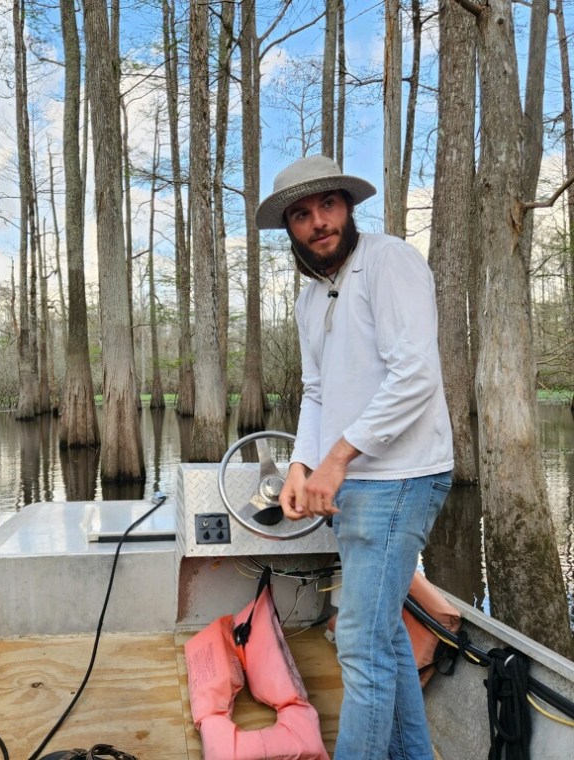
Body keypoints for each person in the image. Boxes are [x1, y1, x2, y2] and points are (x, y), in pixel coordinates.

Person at [256, 154, 453, 760]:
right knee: (386, 638)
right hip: (352, 484)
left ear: (349, 207)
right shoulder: (309, 299)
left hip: (402, 478)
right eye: (302, 214)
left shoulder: (388, 260)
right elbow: (316, 392)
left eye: (328, 206)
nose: (318, 222)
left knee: (361, 645)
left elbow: (415, 374)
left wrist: (336, 459)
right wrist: (299, 465)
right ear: (289, 228)